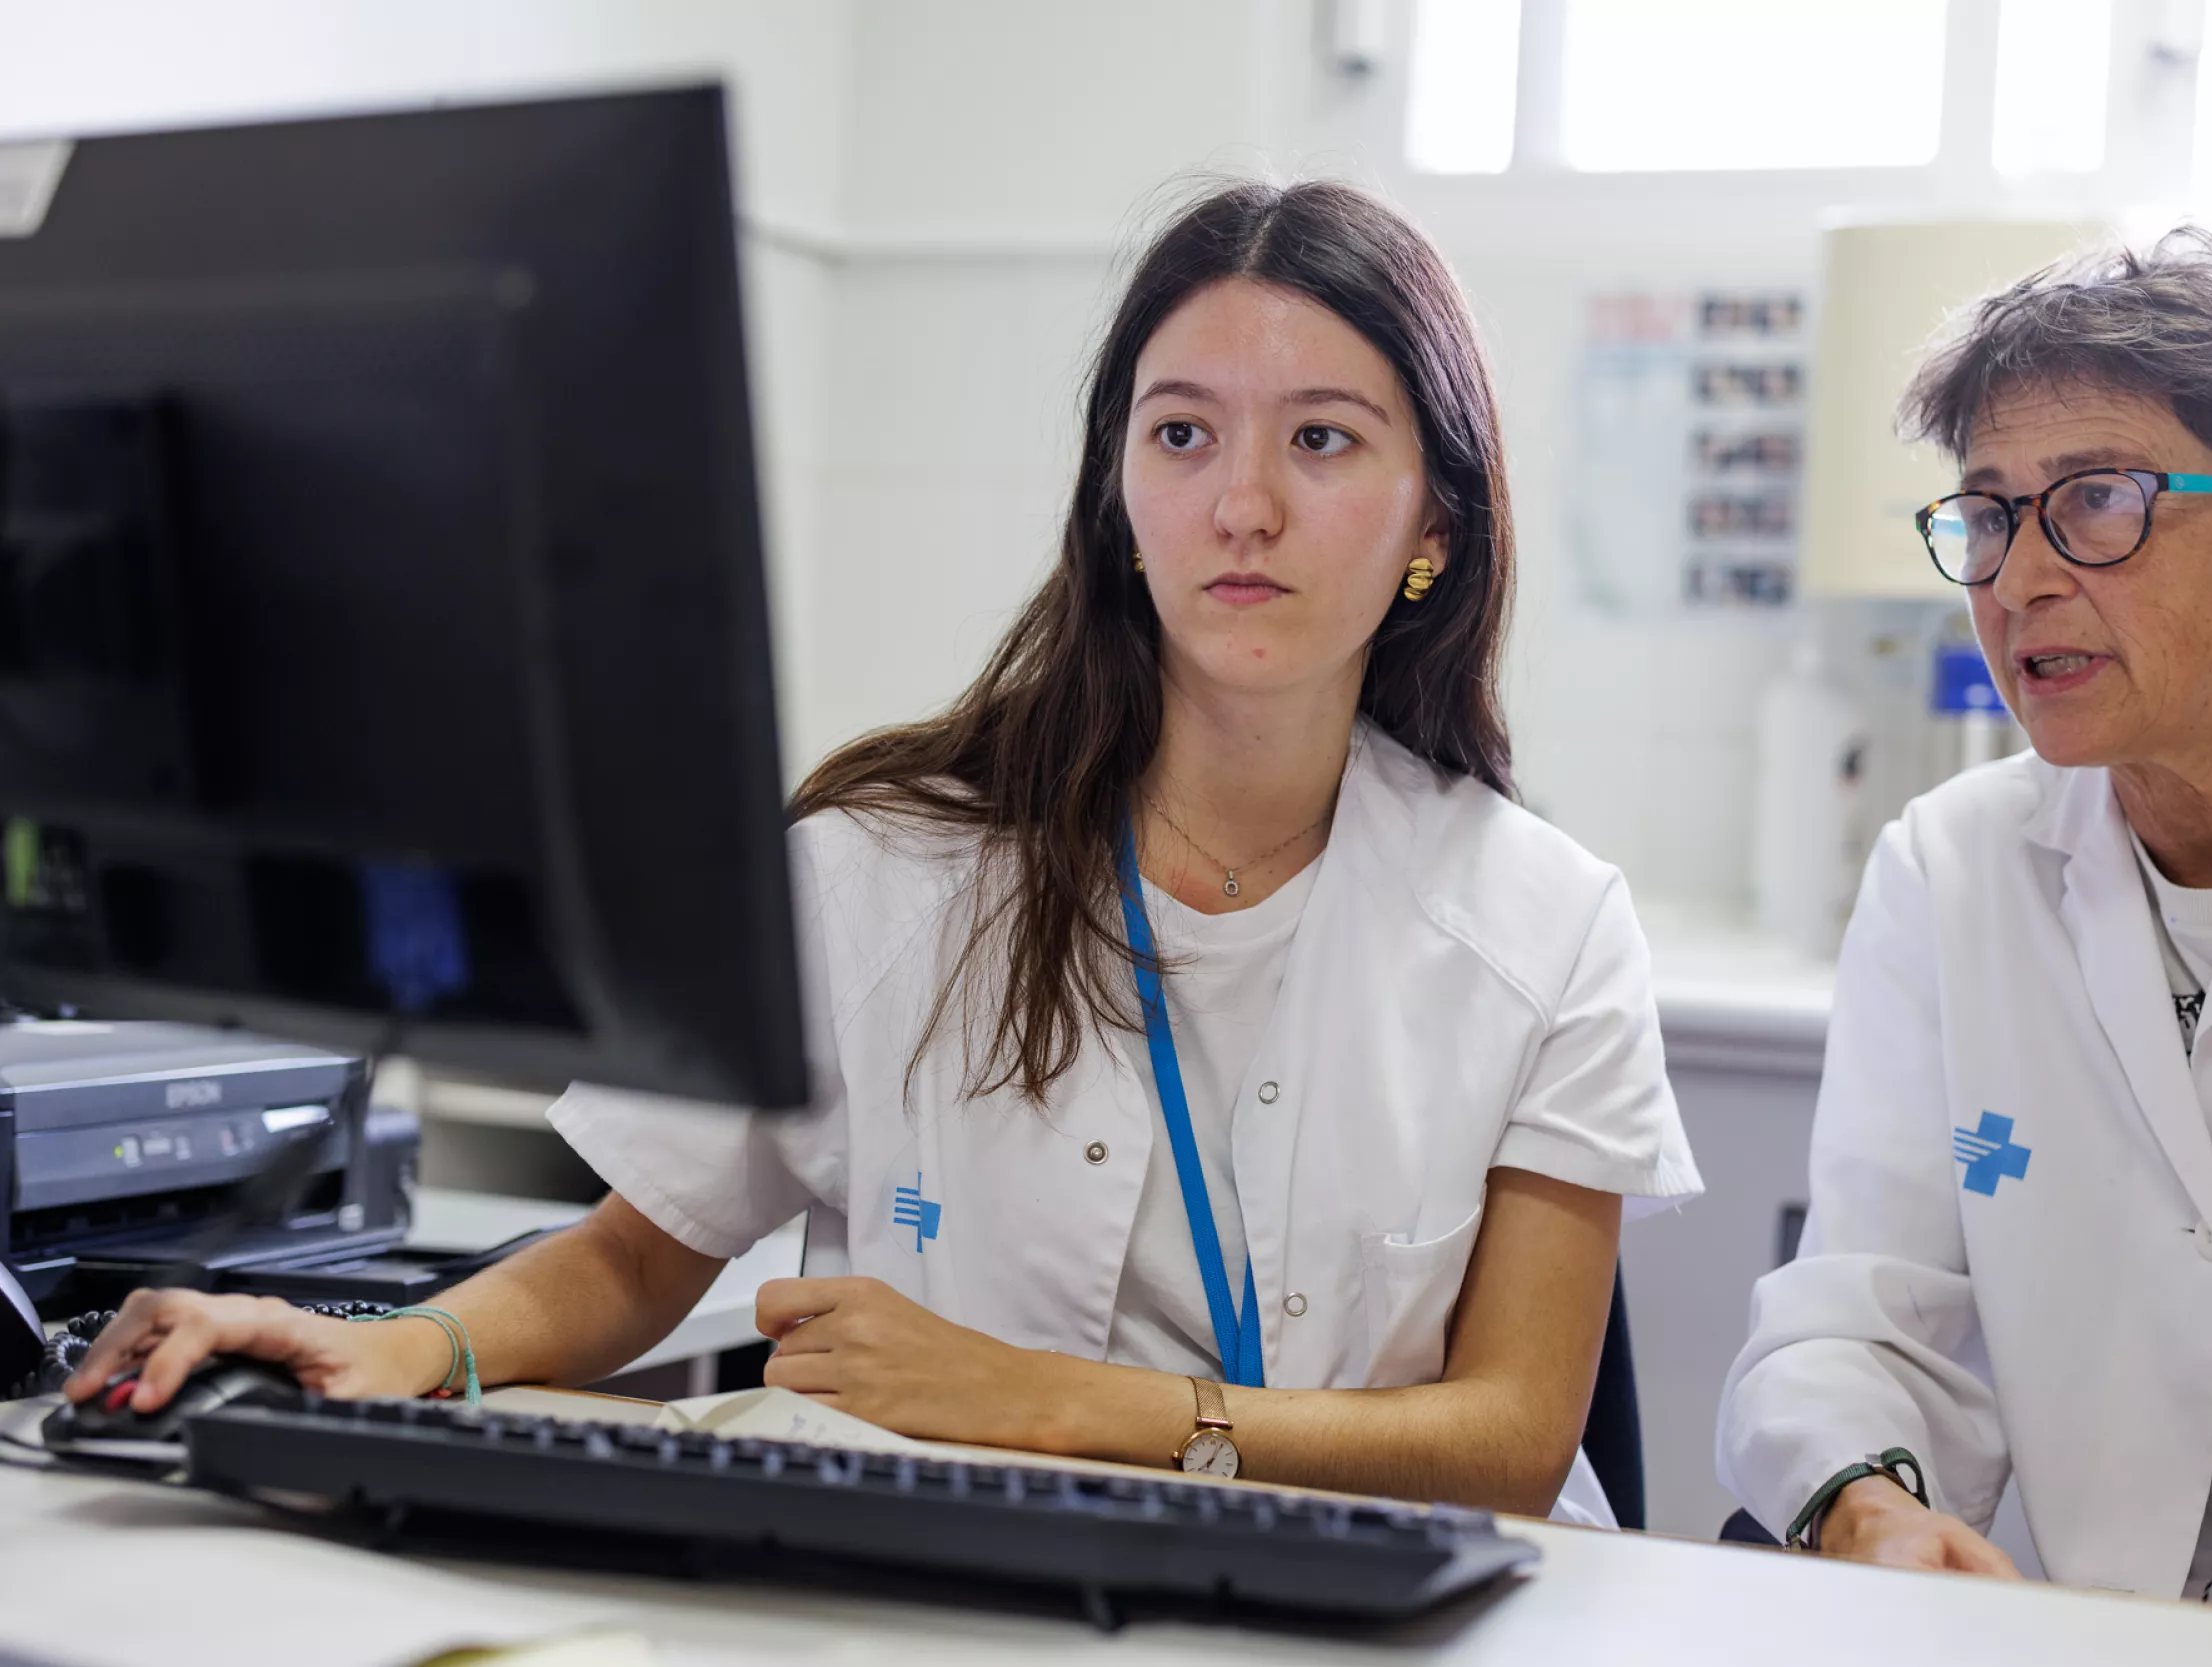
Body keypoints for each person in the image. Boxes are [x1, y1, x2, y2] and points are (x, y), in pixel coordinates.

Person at [66, 178, 1698, 1525]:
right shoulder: (886, 865)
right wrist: (388, 1345)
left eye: (1324, 440)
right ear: (1117, 496)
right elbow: (638, 1249)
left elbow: (1507, 1440)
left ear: (1436, 527)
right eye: (1183, 434)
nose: (1241, 505)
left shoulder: (1546, 928)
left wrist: (1054, 1402)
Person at [1716, 230, 2212, 1635]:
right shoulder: (1949, 870)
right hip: (2100, 1627)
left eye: (2098, 503)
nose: (2019, 578)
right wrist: (1870, 1502)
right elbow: (1850, 1316)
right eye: (1989, 513)